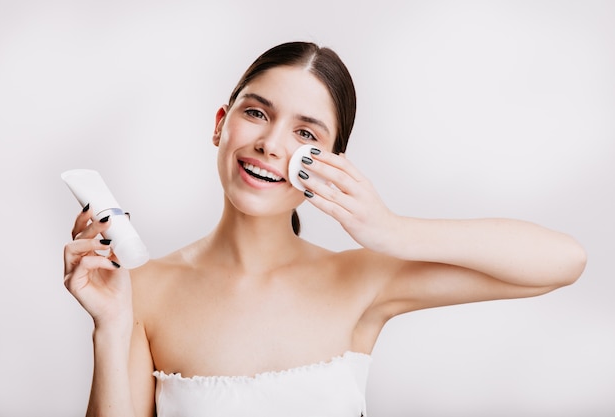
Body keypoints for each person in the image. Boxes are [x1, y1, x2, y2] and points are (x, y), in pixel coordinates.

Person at [63, 41, 587, 417]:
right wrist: (109, 328)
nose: (270, 144)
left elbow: (564, 261)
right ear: (221, 123)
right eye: (255, 112)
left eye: (305, 132)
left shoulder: (360, 280)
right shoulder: (144, 288)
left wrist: (393, 231)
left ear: (329, 161)